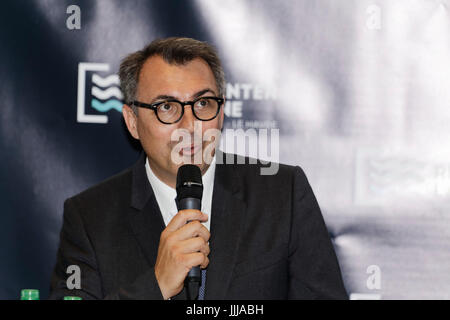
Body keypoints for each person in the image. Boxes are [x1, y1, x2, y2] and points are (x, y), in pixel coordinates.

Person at [49, 37, 348, 300]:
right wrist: (156, 286)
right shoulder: (90, 217)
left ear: (221, 112)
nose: (189, 126)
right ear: (132, 122)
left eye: (203, 103)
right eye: (166, 107)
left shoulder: (283, 193)